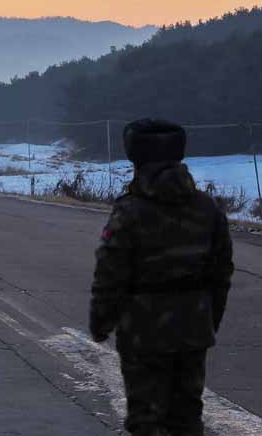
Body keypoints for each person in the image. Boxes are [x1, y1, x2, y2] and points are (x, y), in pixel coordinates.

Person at [89, 119, 234, 436]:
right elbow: (221, 273)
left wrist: (101, 321)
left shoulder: (129, 211)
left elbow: (110, 273)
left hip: (143, 332)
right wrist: (209, 319)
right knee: (187, 418)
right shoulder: (207, 209)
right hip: (193, 329)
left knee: (146, 420)